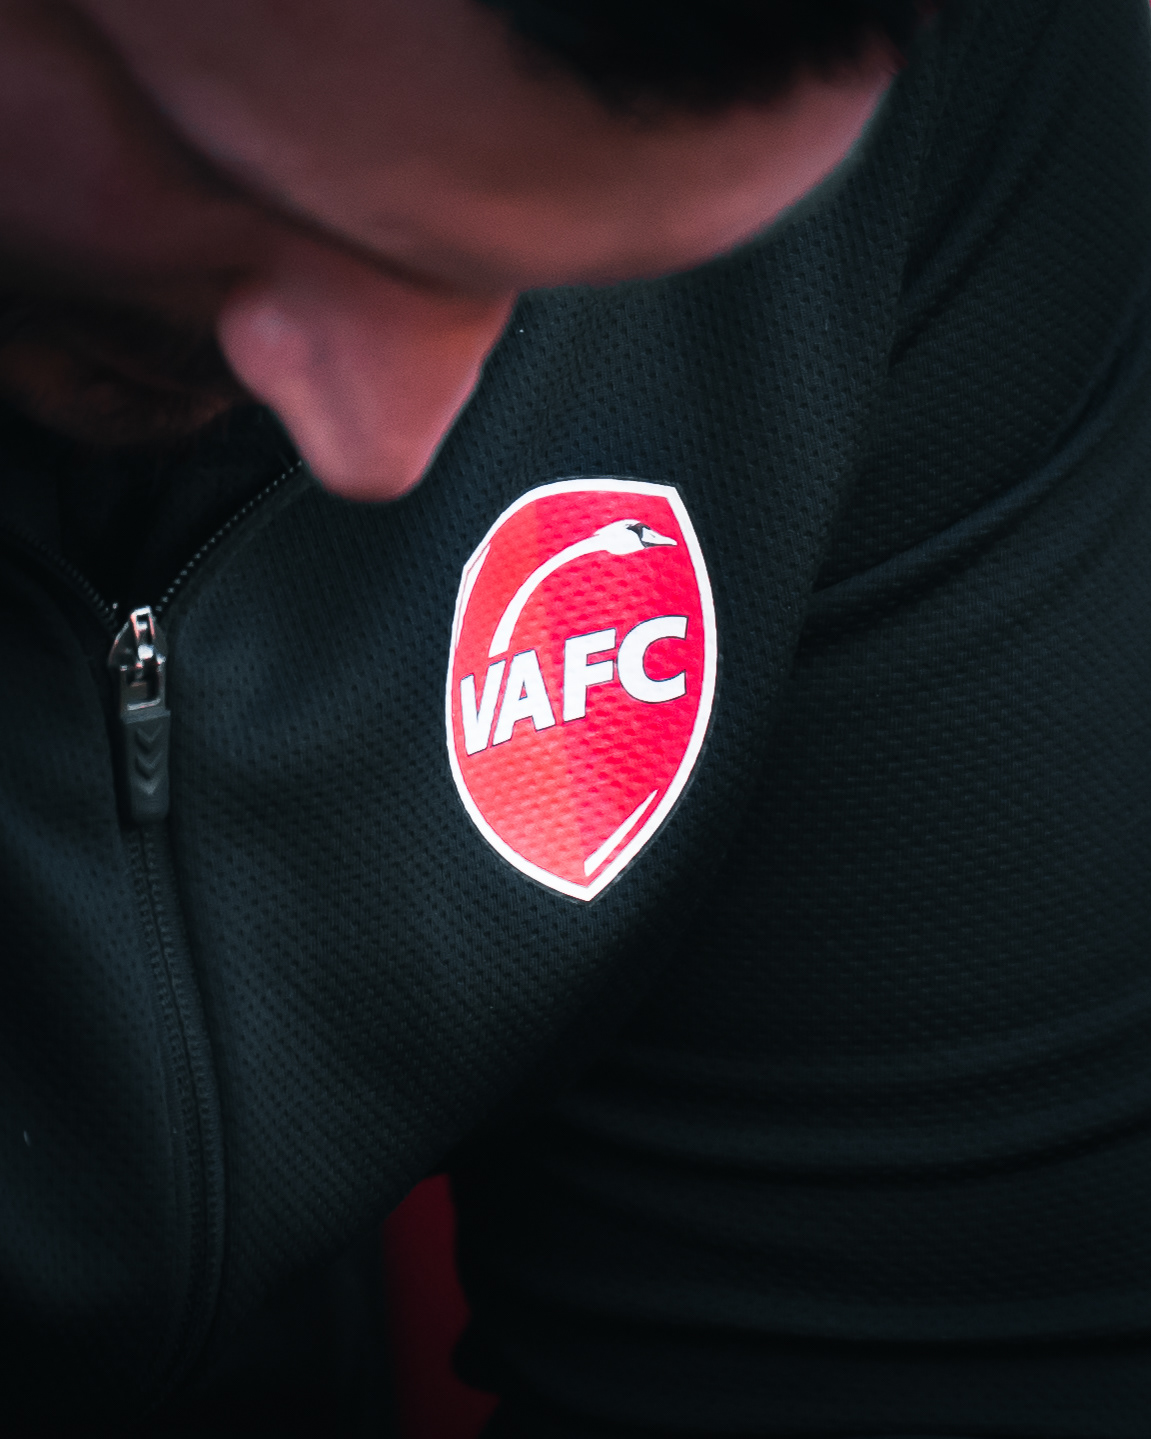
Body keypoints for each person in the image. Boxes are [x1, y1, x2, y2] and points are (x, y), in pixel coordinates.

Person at [2, 0, 1149, 1434]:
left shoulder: (964, 95)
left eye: (576, 275)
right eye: (211, 175)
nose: (388, 444)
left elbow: (916, 1362)